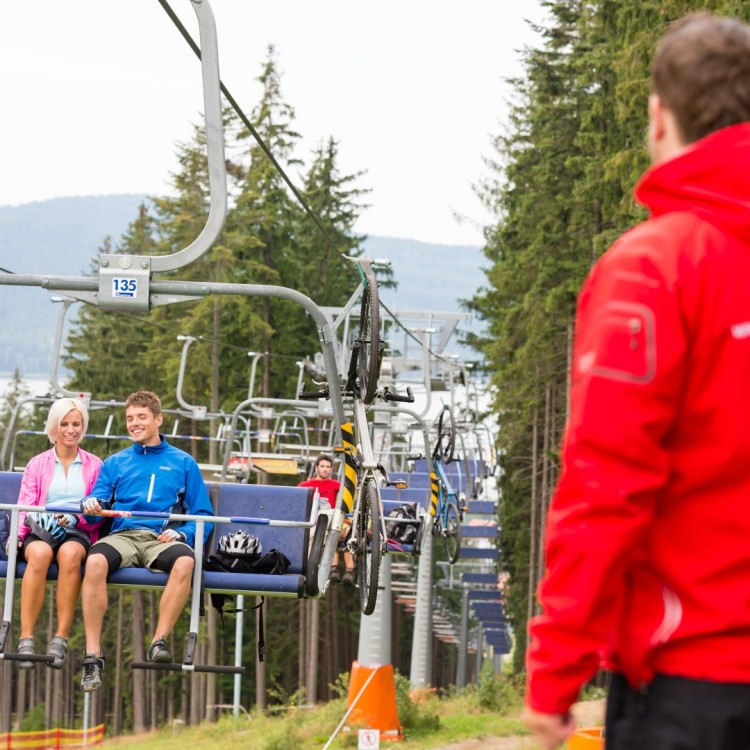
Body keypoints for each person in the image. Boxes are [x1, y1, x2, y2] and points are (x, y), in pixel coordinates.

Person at [523, 13, 750, 750]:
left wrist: (556, 670)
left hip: (696, 679)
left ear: (659, 116)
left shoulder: (656, 268)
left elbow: (606, 482)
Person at [78, 391, 214, 692]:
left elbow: (203, 513)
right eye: (129, 418)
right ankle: (92, 656)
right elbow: (96, 505)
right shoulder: (115, 463)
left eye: (141, 417)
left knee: (186, 560)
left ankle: (159, 641)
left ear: (158, 419)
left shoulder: (183, 463)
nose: (134, 424)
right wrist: (91, 505)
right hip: (123, 536)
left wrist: (182, 534)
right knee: (96, 561)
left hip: (160, 538)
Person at [9, 397, 102, 669]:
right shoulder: (37, 464)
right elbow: (25, 505)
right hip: (42, 530)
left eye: (76, 424)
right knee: (38, 553)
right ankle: (26, 638)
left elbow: (98, 509)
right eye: (64, 424)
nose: (71, 430)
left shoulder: (94, 465)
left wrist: (76, 518)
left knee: (71, 554)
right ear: (54, 427)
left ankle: (60, 638)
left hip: (77, 530)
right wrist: (17, 535)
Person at [299, 454, 354, 584]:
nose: (325, 469)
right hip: (315, 522)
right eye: (322, 466)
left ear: (331, 469)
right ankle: (330, 569)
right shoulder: (305, 486)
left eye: (328, 467)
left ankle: (348, 571)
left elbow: (346, 507)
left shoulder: (337, 486)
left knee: (349, 533)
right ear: (316, 468)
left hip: (335, 520)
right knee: (326, 533)